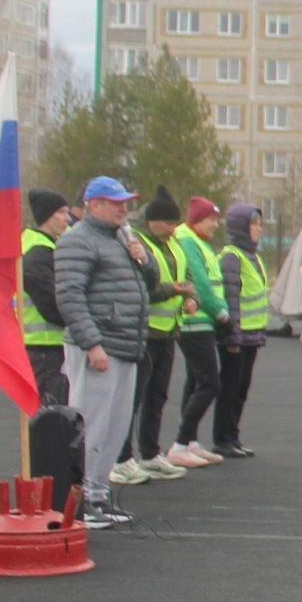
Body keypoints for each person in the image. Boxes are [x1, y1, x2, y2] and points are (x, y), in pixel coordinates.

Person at [53, 176, 157, 529]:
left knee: (115, 428)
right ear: (93, 204)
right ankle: (79, 500)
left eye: (125, 202)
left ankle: (98, 494)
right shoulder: (77, 241)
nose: (124, 208)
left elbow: (151, 285)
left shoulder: (122, 239)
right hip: (101, 346)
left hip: (126, 344)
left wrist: (146, 260)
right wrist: (92, 343)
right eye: (116, 203)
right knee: (91, 427)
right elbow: (69, 296)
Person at [120, 187, 197, 486]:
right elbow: (140, 287)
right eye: (167, 222)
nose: (172, 228)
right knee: (133, 397)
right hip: (144, 332)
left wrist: (192, 299)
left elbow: (187, 278)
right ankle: (122, 457)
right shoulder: (136, 244)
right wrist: (171, 290)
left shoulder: (175, 244)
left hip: (168, 332)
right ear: (153, 221)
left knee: (157, 396)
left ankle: (150, 453)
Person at [168, 199, 228, 464]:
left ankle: (189, 441)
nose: (215, 224)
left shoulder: (197, 241)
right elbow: (201, 283)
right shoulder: (188, 241)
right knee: (209, 382)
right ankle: (180, 444)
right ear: (196, 220)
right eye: (211, 219)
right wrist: (220, 311)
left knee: (195, 381)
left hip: (202, 320)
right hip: (196, 321)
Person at [210, 204, 269, 457]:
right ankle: (222, 438)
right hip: (237, 335)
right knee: (230, 387)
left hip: (251, 334)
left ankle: (233, 436)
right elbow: (231, 298)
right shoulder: (232, 257)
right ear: (241, 228)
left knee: (242, 387)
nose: (259, 229)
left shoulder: (252, 256)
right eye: (254, 224)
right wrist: (231, 335)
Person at [16, 189, 72, 409]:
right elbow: (51, 304)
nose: (68, 219)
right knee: (51, 413)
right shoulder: (38, 252)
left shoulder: (36, 244)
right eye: (61, 212)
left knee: (48, 412)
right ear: (46, 215)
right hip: (44, 344)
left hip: (42, 342)